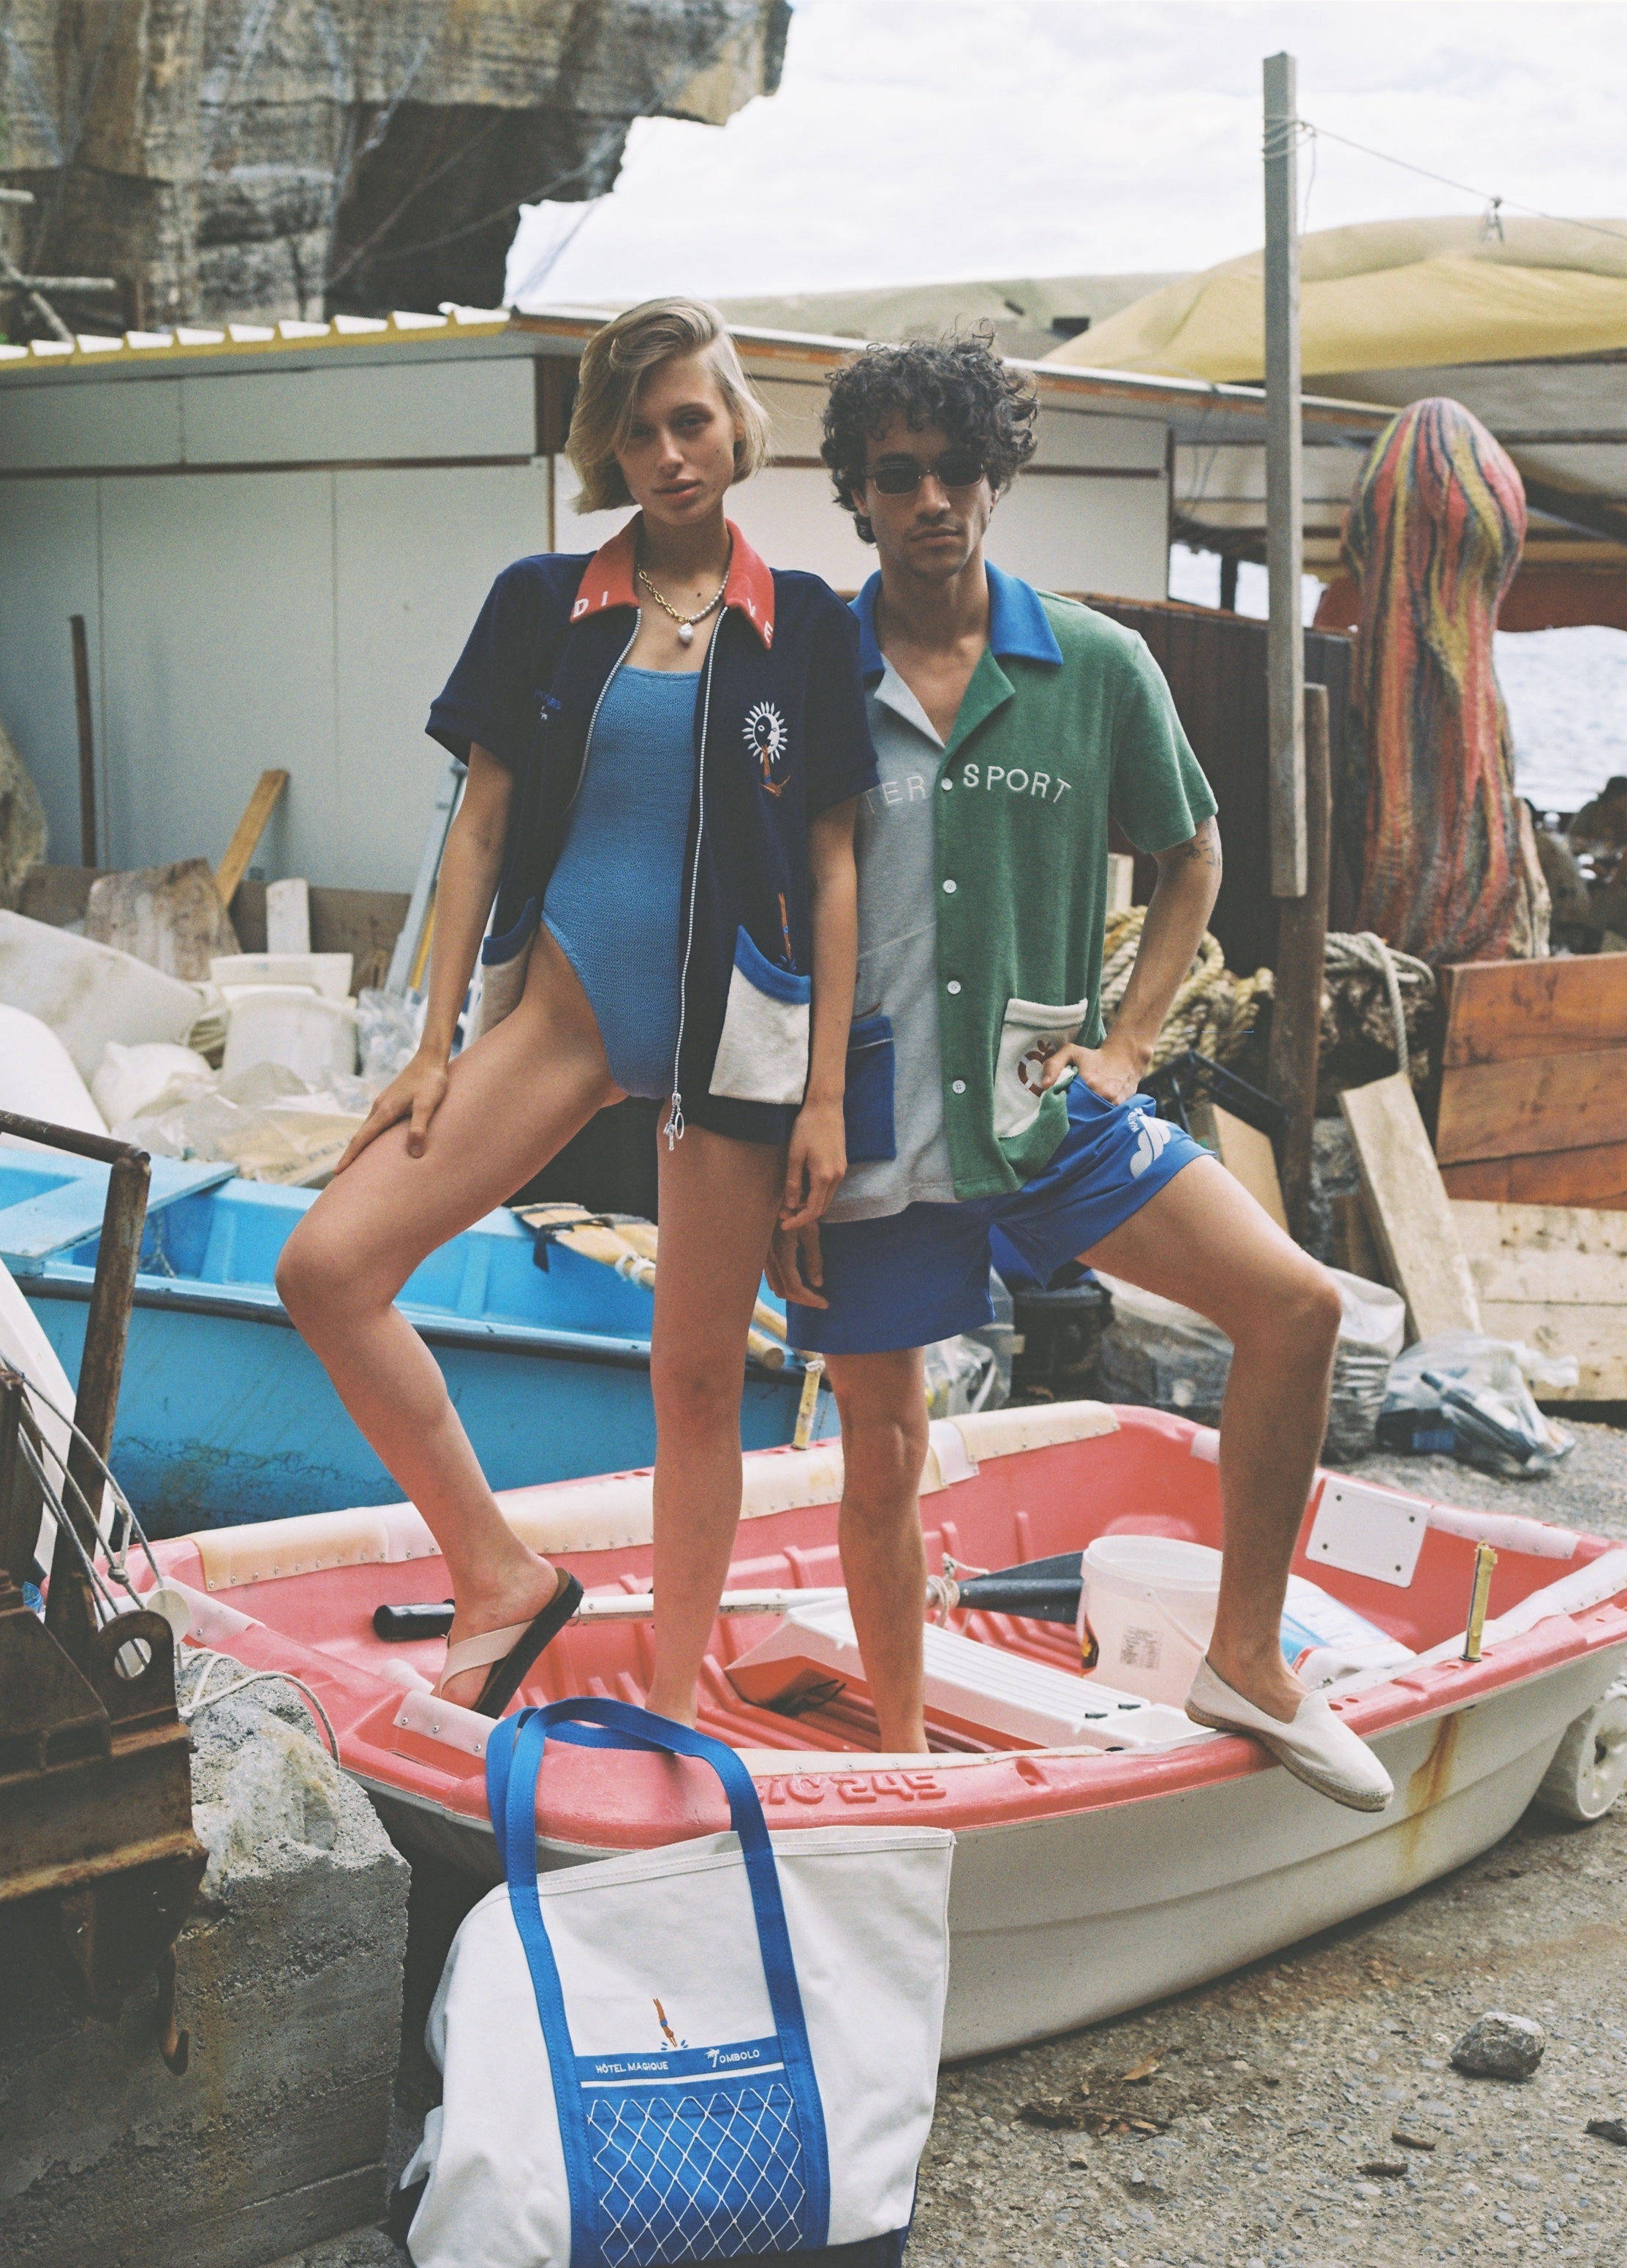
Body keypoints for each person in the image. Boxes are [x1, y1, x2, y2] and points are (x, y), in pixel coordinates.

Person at [768, 334, 1392, 1813]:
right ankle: (912, 1764)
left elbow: (1194, 858)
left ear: (998, 475)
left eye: (958, 470)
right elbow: (774, 916)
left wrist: (1127, 1048)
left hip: (1050, 1108)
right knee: (881, 1458)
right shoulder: (816, 675)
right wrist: (777, 1127)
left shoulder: (1094, 665)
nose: (934, 499)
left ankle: (1247, 1651)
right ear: (859, 492)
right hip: (866, 1126)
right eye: (899, 474)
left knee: (1297, 1306)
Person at [277, 298, 872, 1719]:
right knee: (326, 1270)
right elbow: (477, 833)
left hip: (734, 1051)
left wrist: (829, 1098)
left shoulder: (808, 628)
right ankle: (499, 1575)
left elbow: (837, 867)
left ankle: (668, 1711)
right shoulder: (544, 602)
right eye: (638, 426)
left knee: (697, 1388)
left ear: (734, 425)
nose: (669, 450)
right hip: (557, 1020)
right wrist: (429, 1048)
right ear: (607, 445)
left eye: (691, 417)